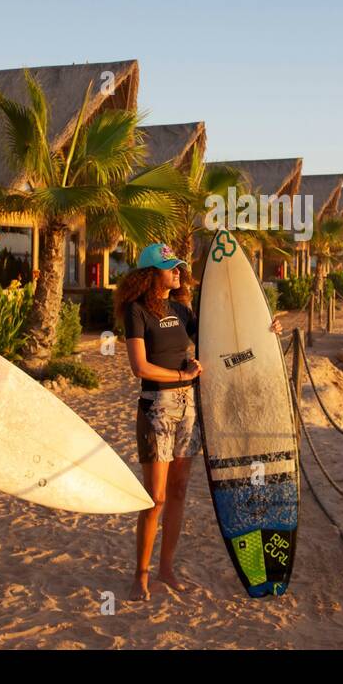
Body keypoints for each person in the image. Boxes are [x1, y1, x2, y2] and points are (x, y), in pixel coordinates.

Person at [115, 242, 280, 601]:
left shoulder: (181, 309)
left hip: (188, 408)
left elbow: (218, 340)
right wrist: (183, 377)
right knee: (155, 498)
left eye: (178, 266)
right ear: (150, 274)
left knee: (178, 492)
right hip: (157, 407)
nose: (177, 272)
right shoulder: (136, 311)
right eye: (170, 267)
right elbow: (139, 367)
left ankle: (167, 570)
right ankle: (140, 575)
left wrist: (265, 332)